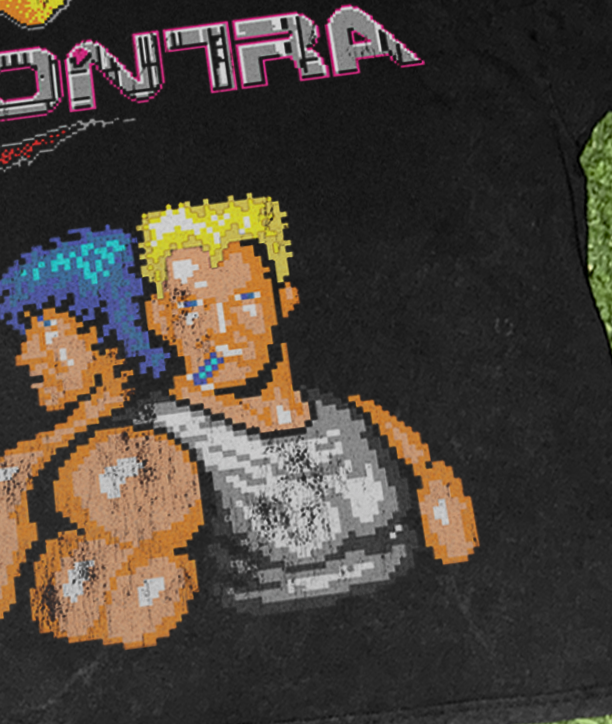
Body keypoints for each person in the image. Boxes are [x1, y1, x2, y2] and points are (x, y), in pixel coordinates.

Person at [134, 194, 478, 611]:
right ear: (158, 318)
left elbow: (462, 560)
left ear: (284, 297)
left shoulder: (368, 424)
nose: (221, 327)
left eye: (243, 298)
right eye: (192, 307)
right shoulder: (154, 445)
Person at [0, 227, 168, 631]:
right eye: (27, 336)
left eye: (47, 332)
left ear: (107, 332)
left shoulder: (147, 444)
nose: (28, 355)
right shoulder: (32, 458)